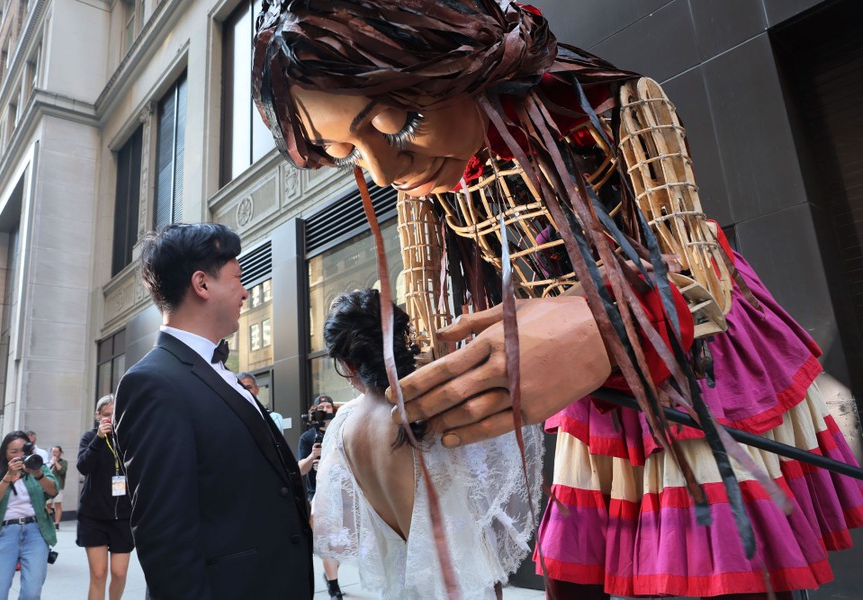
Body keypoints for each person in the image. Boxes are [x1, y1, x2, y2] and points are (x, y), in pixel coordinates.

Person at [252, 2, 863, 598]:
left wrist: (604, 322)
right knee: (587, 573)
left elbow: (702, 278)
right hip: (588, 388)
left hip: (692, 361)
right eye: (347, 153)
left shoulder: (615, 105)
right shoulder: (425, 192)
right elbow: (429, 317)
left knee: (723, 561)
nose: (384, 171)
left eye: (399, 122)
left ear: (462, 61)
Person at [114, 223, 312, 599]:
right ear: (202, 284)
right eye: (238, 278)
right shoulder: (153, 383)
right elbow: (167, 541)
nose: (246, 291)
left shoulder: (220, 373)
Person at [315, 288, 542, 598]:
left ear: (348, 363)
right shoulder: (431, 408)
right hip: (458, 584)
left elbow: (336, 519)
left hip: (400, 589)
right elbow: (504, 457)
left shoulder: (343, 426)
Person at [0, 431, 58, 600]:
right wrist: (7, 477)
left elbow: (53, 490)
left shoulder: (38, 468)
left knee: (32, 592)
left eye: (23, 450)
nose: (19, 455)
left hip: (36, 532)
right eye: (14, 451)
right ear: (5, 453)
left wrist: (38, 474)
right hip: (4, 533)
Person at [77, 395, 132, 600]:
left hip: (123, 516)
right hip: (93, 515)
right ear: (97, 416)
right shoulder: (90, 438)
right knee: (99, 574)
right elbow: (83, 466)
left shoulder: (128, 438)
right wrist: (99, 439)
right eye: (107, 415)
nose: (111, 419)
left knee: (119, 573)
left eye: (115, 415)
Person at [297, 395, 342, 599]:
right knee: (327, 541)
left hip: (343, 491)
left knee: (344, 543)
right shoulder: (308, 437)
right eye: (321, 406)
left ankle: (331, 573)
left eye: (328, 406)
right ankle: (334, 586)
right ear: (315, 411)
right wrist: (312, 456)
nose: (325, 409)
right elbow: (301, 469)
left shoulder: (342, 430)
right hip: (319, 493)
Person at [46, 446, 67, 531]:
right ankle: (50, 514)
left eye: (56, 451)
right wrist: (51, 462)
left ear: (60, 453)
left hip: (58, 486)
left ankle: (57, 524)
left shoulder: (63, 462)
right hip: (48, 486)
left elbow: (61, 471)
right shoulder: (48, 461)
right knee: (47, 505)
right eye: (53, 451)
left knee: (57, 504)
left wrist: (55, 462)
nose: (54, 453)